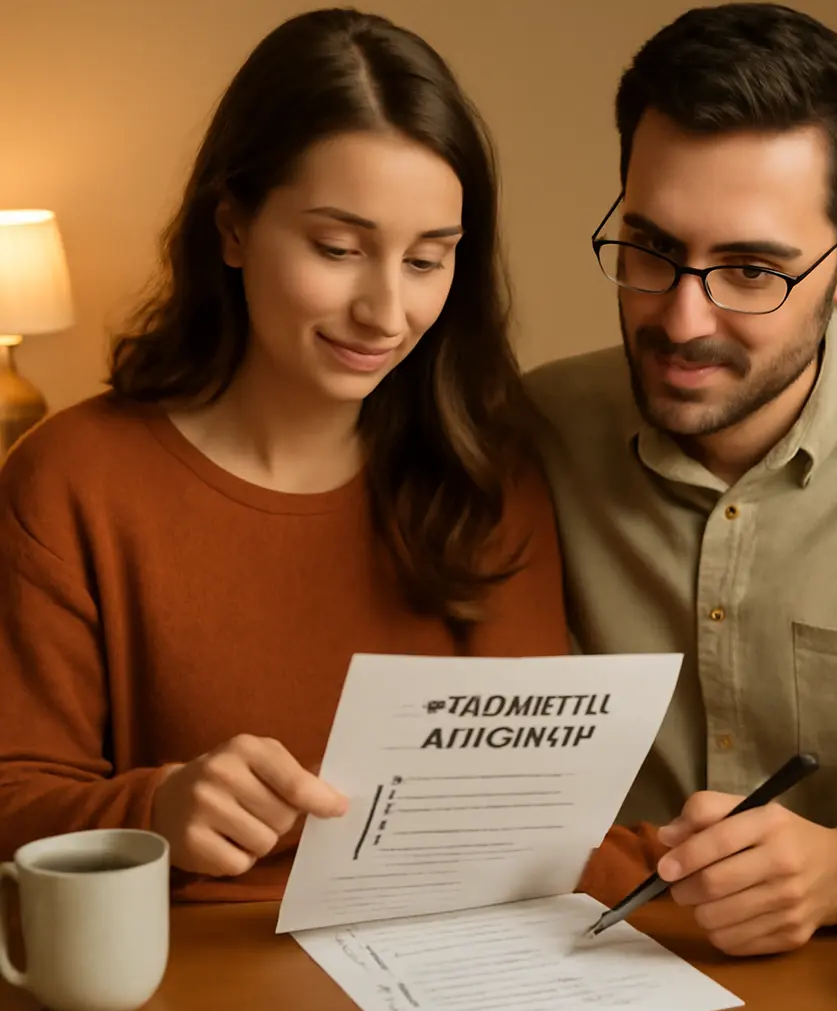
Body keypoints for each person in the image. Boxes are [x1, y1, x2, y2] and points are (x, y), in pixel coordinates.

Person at [0, 8, 569, 903]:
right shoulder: (69, 479)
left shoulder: (481, 472)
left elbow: (533, 813)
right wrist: (154, 808)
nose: (386, 313)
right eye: (338, 249)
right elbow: (13, 802)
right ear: (231, 228)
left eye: (428, 260)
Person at [527, 1, 837, 957]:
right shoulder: (535, 430)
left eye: (751, 270)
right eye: (652, 249)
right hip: (586, 971)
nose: (680, 319)